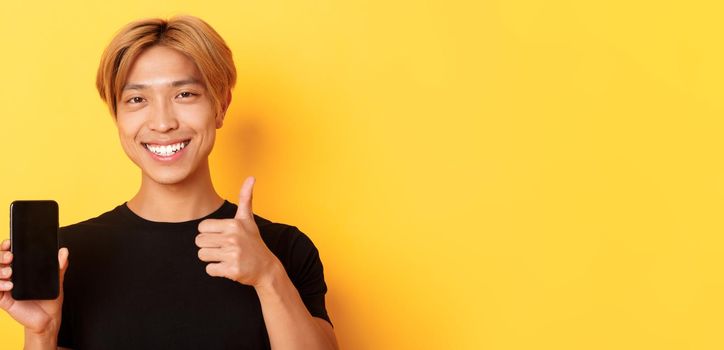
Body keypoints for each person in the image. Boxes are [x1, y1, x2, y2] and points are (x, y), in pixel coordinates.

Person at [0, 15, 338, 350]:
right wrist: (42, 334)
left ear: (220, 106)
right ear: (116, 115)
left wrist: (268, 277)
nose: (162, 123)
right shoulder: (65, 258)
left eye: (185, 94)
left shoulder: (285, 249)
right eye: (137, 99)